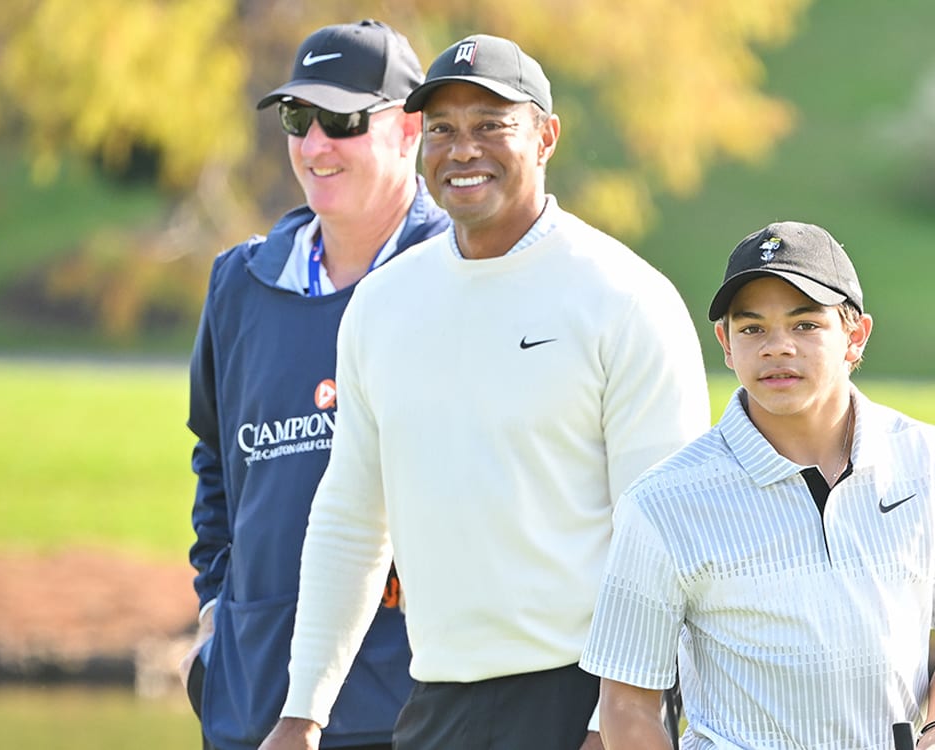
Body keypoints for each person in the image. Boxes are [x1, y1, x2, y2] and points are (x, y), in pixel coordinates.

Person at [259, 33, 710, 750]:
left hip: (588, 697)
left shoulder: (625, 299)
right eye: (442, 129)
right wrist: (302, 711)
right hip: (439, 700)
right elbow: (350, 519)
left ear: (546, 137)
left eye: (491, 125)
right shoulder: (381, 306)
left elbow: (666, 540)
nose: (462, 149)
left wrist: (613, 720)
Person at [581, 221, 935, 750]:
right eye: (752, 329)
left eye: (805, 325)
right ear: (725, 343)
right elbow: (627, 703)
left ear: (854, 336)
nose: (777, 348)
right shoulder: (661, 503)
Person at [182, 19, 449, 750]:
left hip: (411, 706)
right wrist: (216, 612)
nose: (314, 145)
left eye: (344, 120)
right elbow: (217, 460)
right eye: (299, 118)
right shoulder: (239, 281)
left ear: (410, 130)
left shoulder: (462, 275)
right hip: (254, 703)